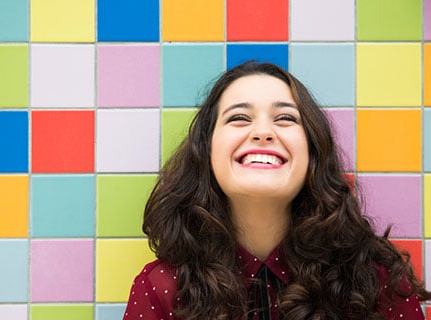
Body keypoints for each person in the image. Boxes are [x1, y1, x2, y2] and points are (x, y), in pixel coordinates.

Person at [123, 61, 430, 320]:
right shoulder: (160, 287)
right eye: (239, 118)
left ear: (313, 152)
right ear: (206, 151)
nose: (262, 132)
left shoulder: (375, 280)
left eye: (285, 118)